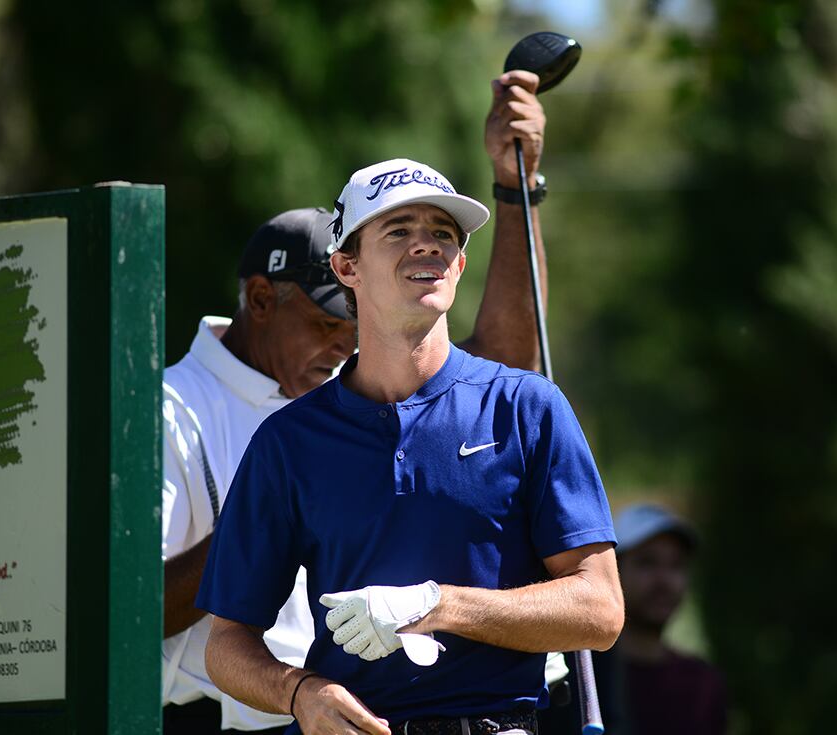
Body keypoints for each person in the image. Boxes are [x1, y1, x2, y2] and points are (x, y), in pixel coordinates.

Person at [162, 70, 558, 734]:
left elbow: (503, 365)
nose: (344, 343)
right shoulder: (177, 410)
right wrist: (257, 534)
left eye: (352, 327)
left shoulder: (371, 393)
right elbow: (129, 610)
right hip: (231, 720)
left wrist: (516, 187)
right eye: (325, 323)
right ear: (261, 301)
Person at [195, 156, 624, 735]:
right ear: (347, 265)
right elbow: (227, 641)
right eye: (399, 231)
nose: (427, 246)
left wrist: (438, 605)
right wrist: (299, 693)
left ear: (460, 263)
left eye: (443, 234)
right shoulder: (288, 441)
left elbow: (599, 610)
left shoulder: (528, 407)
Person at [541, 503, 726, 735]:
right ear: (613, 572)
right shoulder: (577, 682)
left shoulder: (703, 684)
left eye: (676, 565)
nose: (664, 580)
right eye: (647, 562)